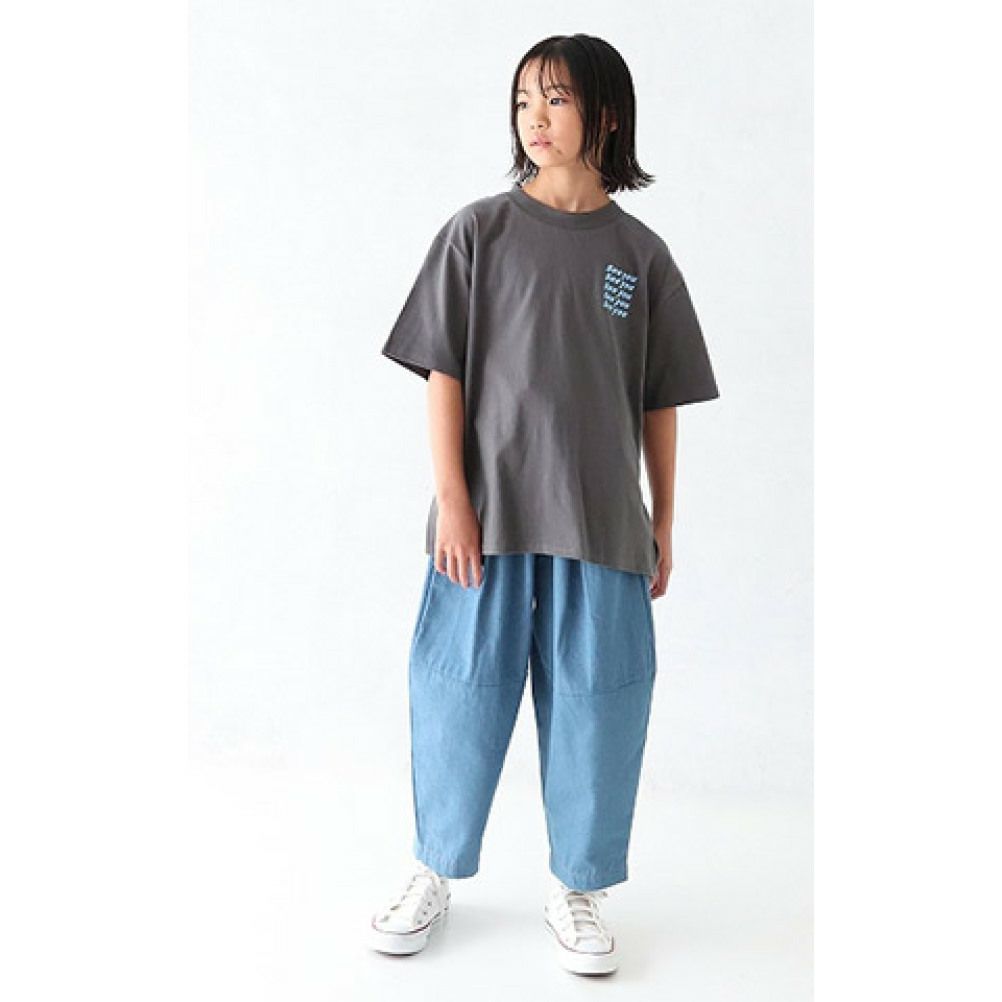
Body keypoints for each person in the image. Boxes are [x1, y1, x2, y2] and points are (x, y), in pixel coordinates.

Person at [368, 34, 720, 976]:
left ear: (605, 115)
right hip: (487, 523)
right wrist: (453, 502)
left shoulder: (640, 258)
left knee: (601, 702)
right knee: (456, 692)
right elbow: (443, 373)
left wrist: (663, 520)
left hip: (601, 523)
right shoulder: (478, 234)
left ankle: (581, 885)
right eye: (524, 99)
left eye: (556, 99)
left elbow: (659, 399)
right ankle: (433, 868)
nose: (535, 117)